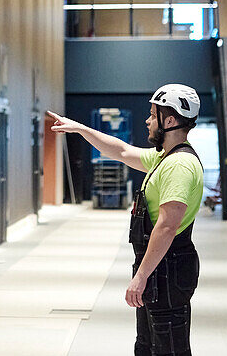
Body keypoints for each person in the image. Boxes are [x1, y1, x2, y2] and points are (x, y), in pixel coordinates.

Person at [47, 83, 204, 356]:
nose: (147, 120)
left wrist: (141, 277)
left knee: (167, 347)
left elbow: (167, 227)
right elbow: (120, 151)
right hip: (160, 266)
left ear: (169, 120)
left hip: (168, 267)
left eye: (153, 115)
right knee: (147, 345)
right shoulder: (163, 158)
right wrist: (80, 128)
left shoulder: (179, 165)